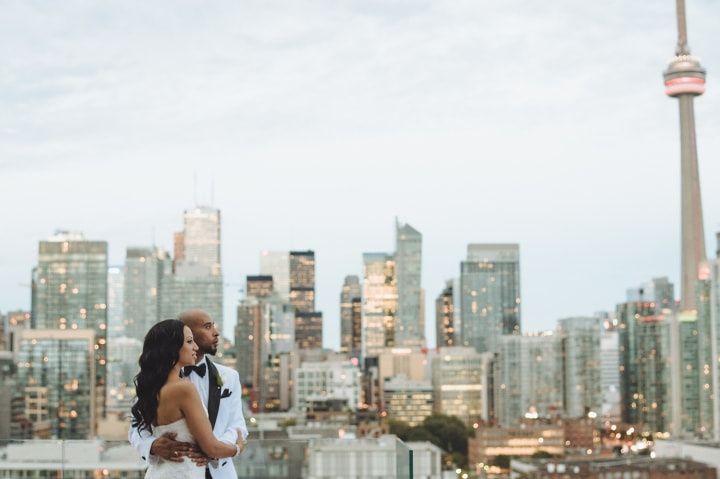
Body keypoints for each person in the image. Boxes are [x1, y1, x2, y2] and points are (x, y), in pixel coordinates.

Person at [129, 311, 248, 479]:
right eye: (207, 327)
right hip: (178, 470)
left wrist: (212, 452)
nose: (216, 332)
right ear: (182, 335)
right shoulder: (163, 382)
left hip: (219, 472)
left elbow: (238, 425)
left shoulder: (230, 376)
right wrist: (153, 445)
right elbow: (136, 427)